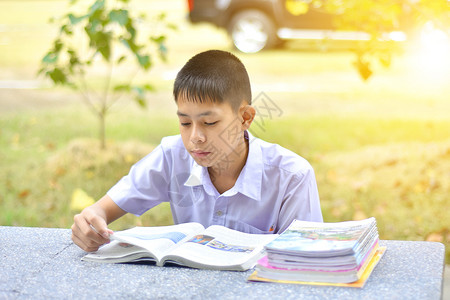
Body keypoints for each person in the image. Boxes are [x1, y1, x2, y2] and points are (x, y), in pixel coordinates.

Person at [71, 49, 323, 252]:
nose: (195, 138)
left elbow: (305, 260)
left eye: (210, 123)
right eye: (185, 123)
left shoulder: (292, 177)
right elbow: (101, 209)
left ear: (245, 117)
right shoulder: (172, 156)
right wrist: (90, 221)